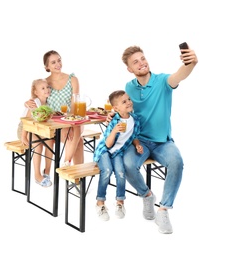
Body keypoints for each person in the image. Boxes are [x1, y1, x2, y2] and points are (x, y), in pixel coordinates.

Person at [107, 44, 198, 233]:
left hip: (162, 142)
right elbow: (123, 109)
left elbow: (179, 74)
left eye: (142, 58)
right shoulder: (128, 88)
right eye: (135, 62)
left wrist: (191, 63)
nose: (141, 63)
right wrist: (111, 115)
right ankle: (147, 195)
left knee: (176, 162)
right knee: (128, 164)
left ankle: (163, 210)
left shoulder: (163, 81)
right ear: (129, 69)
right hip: (138, 141)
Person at [25, 50, 84, 167]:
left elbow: (75, 104)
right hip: (53, 123)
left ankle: (67, 163)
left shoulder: (72, 79)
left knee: (75, 127)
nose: (58, 64)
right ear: (47, 67)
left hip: (71, 120)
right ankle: (75, 177)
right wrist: (27, 103)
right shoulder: (45, 83)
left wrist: (69, 122)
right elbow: (36, 101)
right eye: (53, 62)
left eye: (59, 60)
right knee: (79, 142)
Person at [94, 90, 143, 221]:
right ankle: (100, 203)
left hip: (118, 152)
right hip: (105, 151)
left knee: (121, 172)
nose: (129, 102)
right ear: (116, 108)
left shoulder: (135, 119)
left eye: (129, 100)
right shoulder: (114, 120)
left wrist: (137, 144)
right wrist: (115, 130)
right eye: (124, 101)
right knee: (107, 170)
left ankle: (120, 202)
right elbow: (108, 144)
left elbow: (134, 136)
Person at [18, 78, 53, 187]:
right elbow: (26, 121)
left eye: (47, 87)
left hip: (37, 129)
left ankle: (47, 172)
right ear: (36, 92)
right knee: (38, 145)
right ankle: (37, 176)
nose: (46, 89)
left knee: (50, 142)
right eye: (42, 88)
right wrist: (24, 136)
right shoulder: (35, 103)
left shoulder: (48, 103)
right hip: (25, 129)